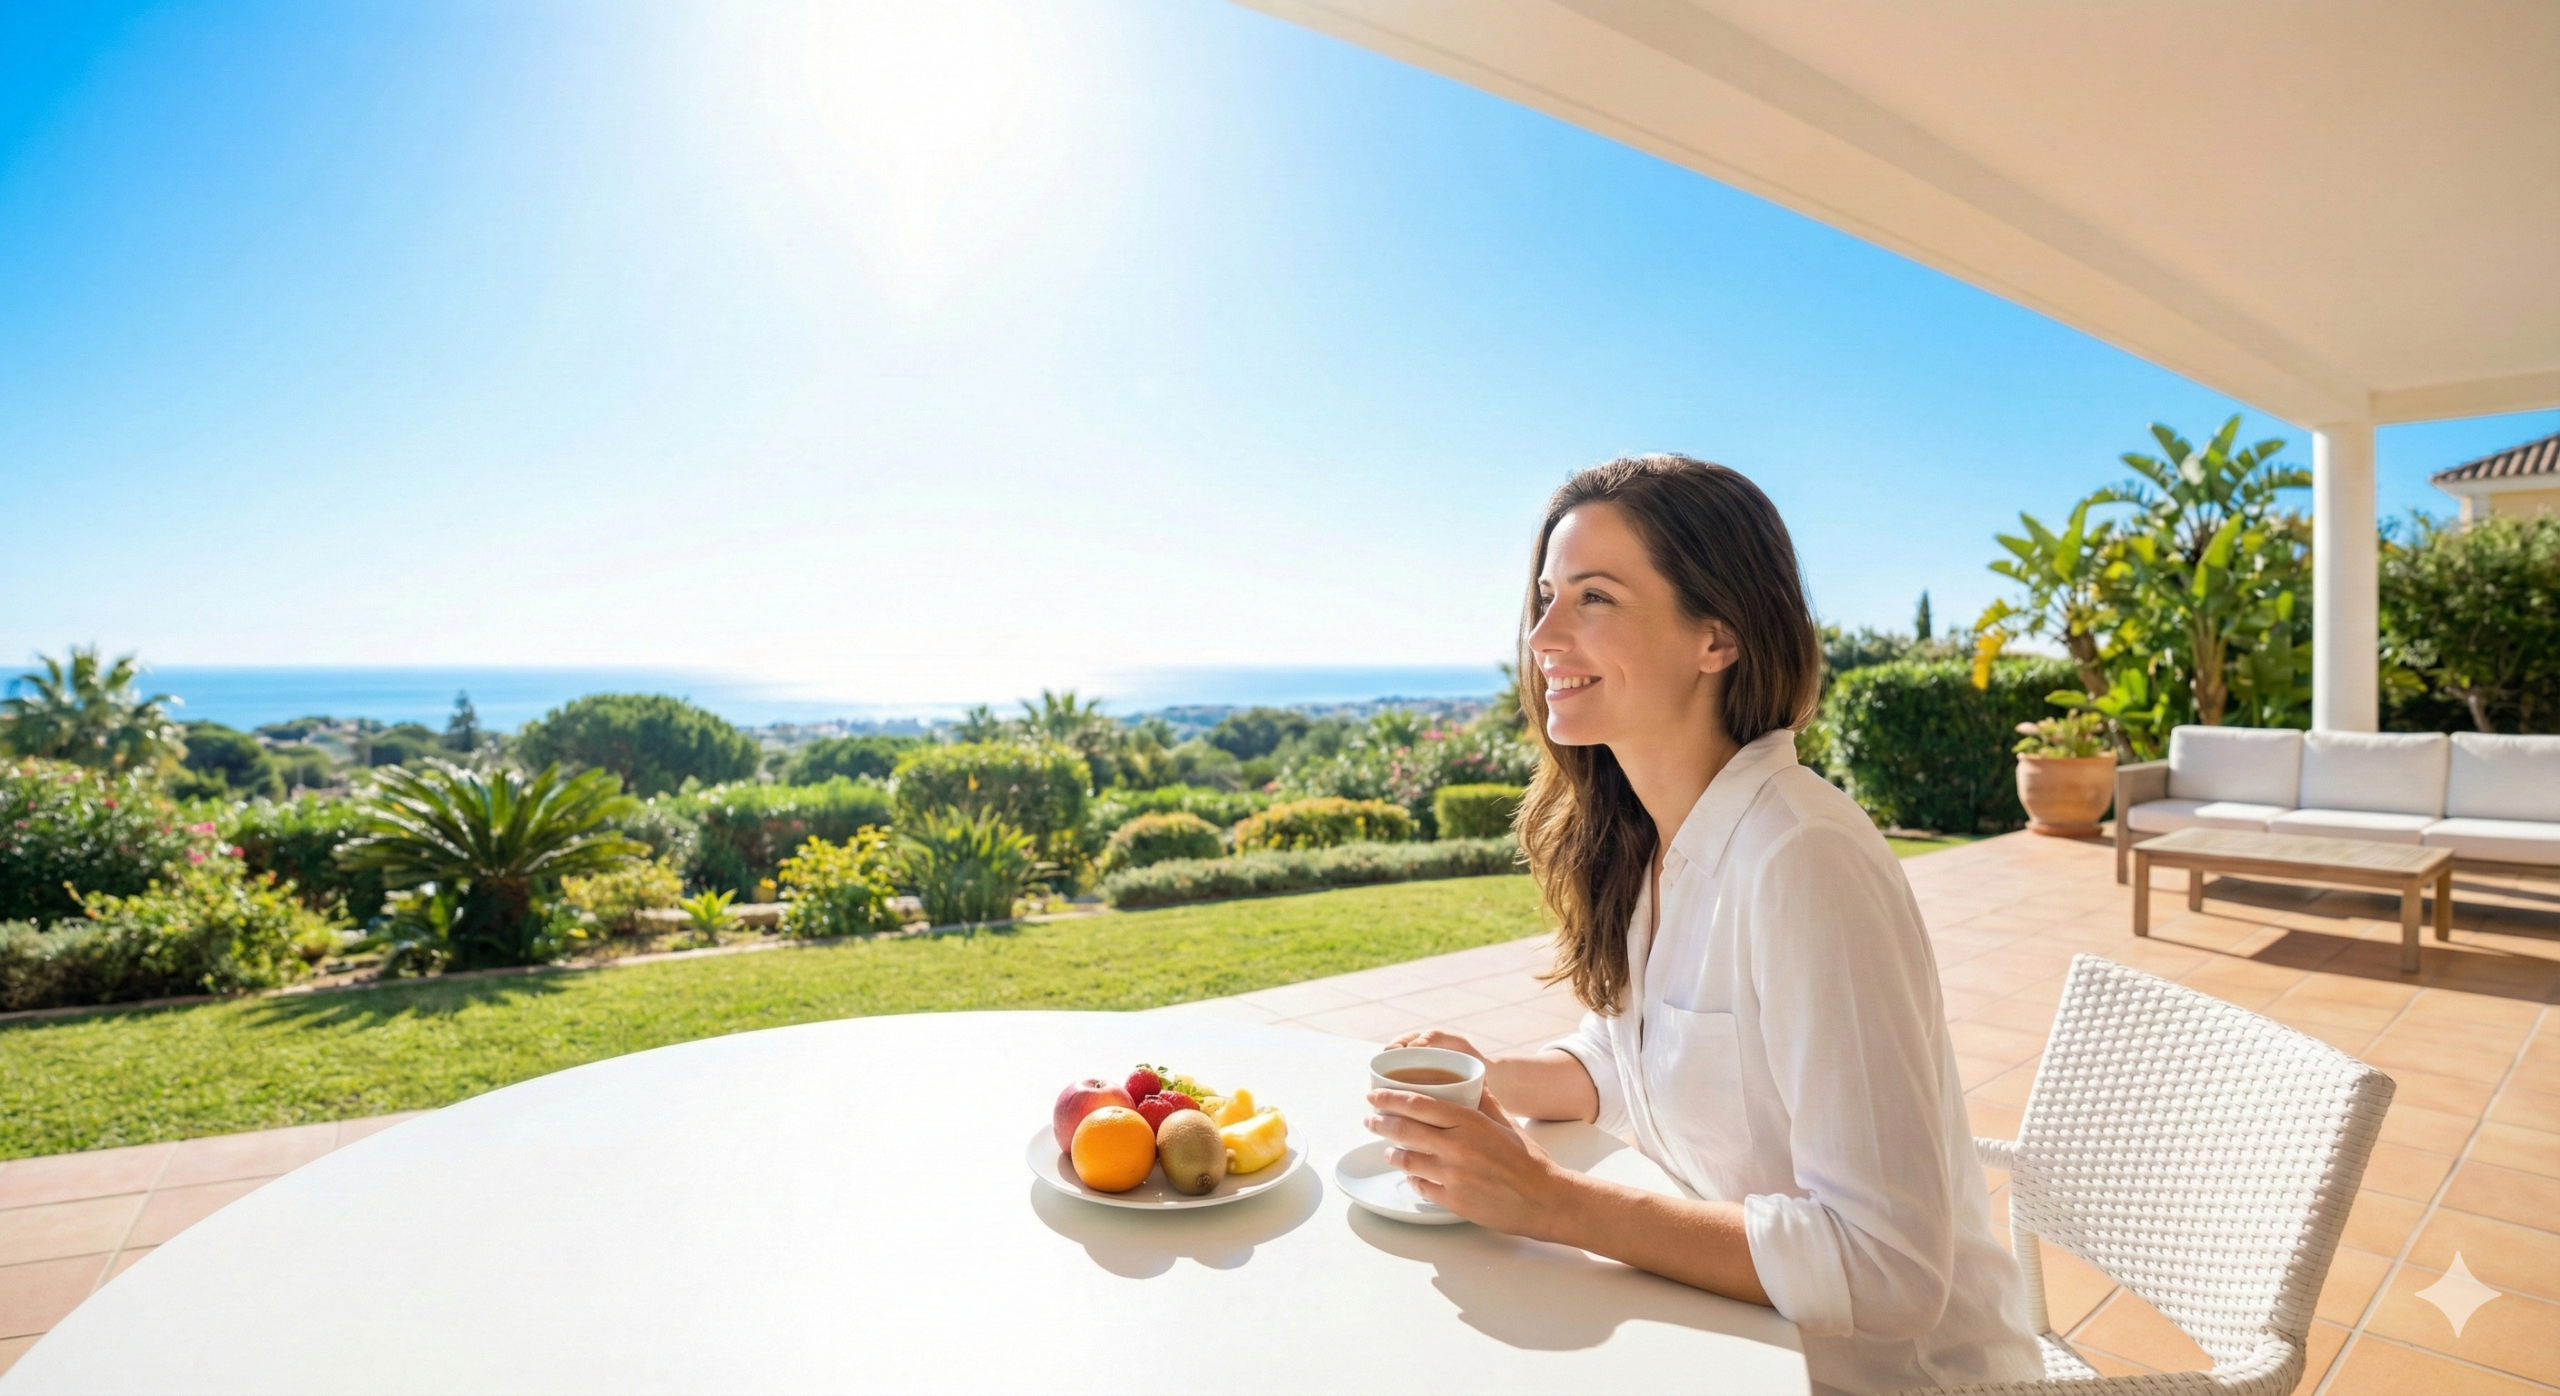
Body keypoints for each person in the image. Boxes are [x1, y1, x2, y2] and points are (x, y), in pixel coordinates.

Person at [1367, 455, 2039, 1393]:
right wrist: (1478, 1083)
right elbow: (1630, 1059)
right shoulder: (1655, 841)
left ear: (1717, 636)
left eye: (1594, 598)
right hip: (1730, 1343)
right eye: (1546, 598)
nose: (1543, 636)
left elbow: (1889, 1268)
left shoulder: (1802, 860)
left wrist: (1549, 1201)